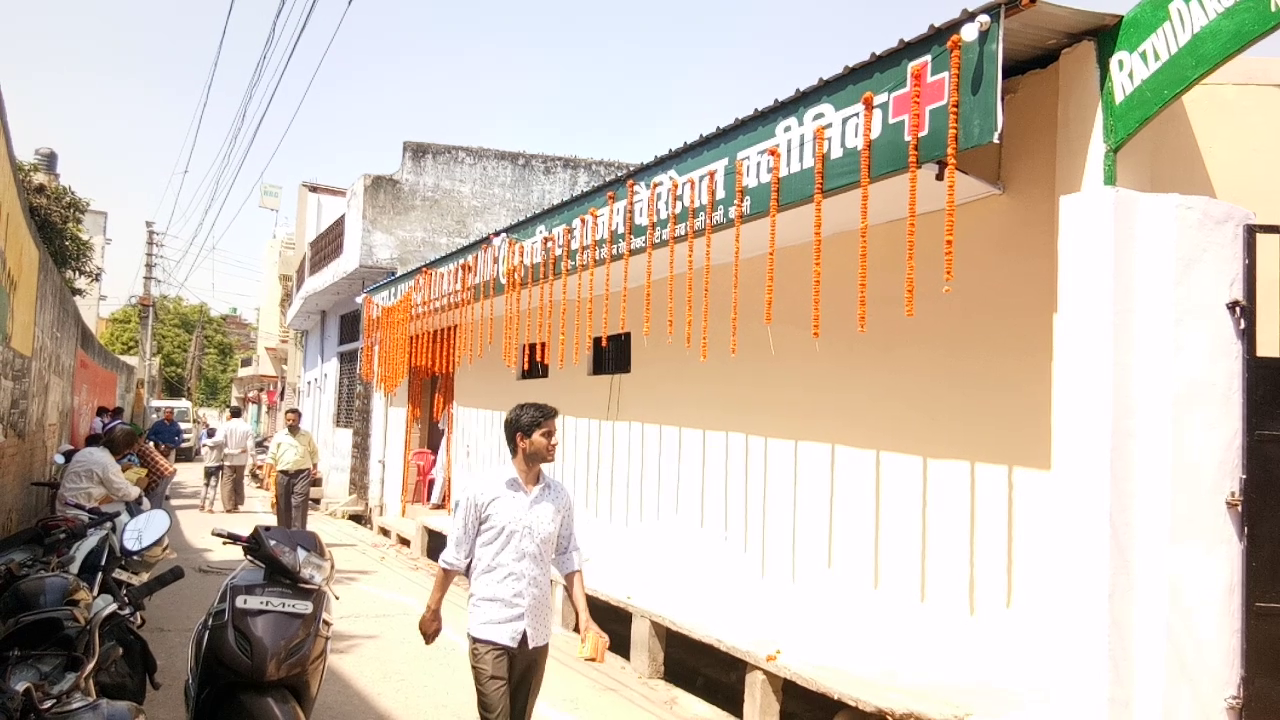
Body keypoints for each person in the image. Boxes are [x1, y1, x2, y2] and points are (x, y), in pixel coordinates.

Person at [418, 402, 606, 720]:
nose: (555, 441)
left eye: (554, 434)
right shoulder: (481, 490)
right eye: (547, 434)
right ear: (522, 440)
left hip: (535, 633)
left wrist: (584, 618)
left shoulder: (558, 496)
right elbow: (455, 555)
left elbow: (567, 556)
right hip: (490, 627)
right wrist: (432, 610)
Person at [57, 426, 147, 515]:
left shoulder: (86, 451)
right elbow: (126, 493)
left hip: (63, 507)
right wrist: (139, 488)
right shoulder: (109, 465)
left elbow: (98, 471)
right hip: (82, 512)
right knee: (136, 505)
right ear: (127, 450)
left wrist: (120, 468)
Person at [264, 408, 320, 530]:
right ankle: (284, 533)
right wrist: (267, 477)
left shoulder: (306, 436)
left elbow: (314, 452)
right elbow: (271, 456)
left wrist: (315, 468)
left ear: (299, 420)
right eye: (288, 420)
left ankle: (298, 534)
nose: (290, 422)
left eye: (293, 420)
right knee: (283, 505)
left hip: (302, 474)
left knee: (299, 504)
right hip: (283, 474)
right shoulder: (279, 436)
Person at [214, 406, 254, 513]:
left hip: (228, 459)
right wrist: (253, 459)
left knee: (227, 481)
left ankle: (228, 506)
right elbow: (251, 445)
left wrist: (225, 451)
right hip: (242, 459)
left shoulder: (225, 426)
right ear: (241, 414)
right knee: (239, 481)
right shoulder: (247, 427)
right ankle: (237, 504)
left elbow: (219, 441)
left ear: (230, 414)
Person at [199, 427, 224, 513]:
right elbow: (223, 454)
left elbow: (202, 454)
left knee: (205, 485)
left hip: (207, 467)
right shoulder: (220, 444)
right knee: (213, 488)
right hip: (216, 467)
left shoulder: (204, 444)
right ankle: (209, 507)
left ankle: (201, 504)